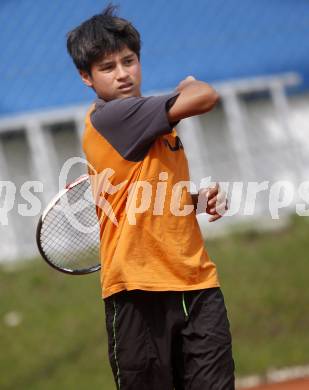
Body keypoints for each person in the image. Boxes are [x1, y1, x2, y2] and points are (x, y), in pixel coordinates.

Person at [67, 4, 235, 389]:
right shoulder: (113, 116)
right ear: (85, 77)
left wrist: (196, 200)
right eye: (107, 68)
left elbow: (146, 194)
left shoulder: (156, 123)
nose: (123, 74)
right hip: (138, 293)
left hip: (197, 285)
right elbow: (205, 96)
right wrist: (186, 86)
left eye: (128, 61)